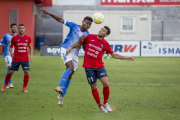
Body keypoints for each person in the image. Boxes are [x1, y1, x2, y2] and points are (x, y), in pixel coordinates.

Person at [67, 26, 134, 113]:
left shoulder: (105, 44)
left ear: (106, 35)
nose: (101, 31)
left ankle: (105, 103)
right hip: (88, 67)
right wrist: (71, 47)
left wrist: (125, 58)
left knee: (106, 83)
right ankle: (100, 106)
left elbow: (113, 55)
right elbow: (80, 43)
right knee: (94, 86)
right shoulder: (90, 37)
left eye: (103, 31)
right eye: (101, 29)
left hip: (99, 66)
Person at [41, 9, 93, 106]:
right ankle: (59, 87)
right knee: (70, 68)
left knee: (70, 74)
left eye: (90, 24)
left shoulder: (87, 35)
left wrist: (82, 42)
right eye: (87, 23)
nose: (88, 25)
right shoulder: (74, 26)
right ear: (83, 22)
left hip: (74, 54)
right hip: (65, 49)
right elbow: (60, 20)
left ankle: (60, 97)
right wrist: (49, 13)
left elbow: (85, 49)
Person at [1, 24, 33, 92]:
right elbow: (10, 46)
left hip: (25, 59)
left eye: (23, 28)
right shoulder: (14, 38)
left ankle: (24, 88)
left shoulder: (28, 38)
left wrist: (31, 55)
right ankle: (5, 84)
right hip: (16, 58)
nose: (21, 29)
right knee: (10, 72)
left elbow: (30, 46)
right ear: (18, 30)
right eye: (20, 28)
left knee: (26, 72)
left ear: (24, 29)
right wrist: (11, 53)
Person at [0, 23, 17, 88]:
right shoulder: (6, 36)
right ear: (10, 28)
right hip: (7, 55)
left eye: (15, 27)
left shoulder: (17, 36)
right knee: (10, 66)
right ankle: (8, 84)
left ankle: (7, 83)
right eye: (13, 27)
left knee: (11, 69)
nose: (14, 28)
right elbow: (1, 44)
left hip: (14, 55)